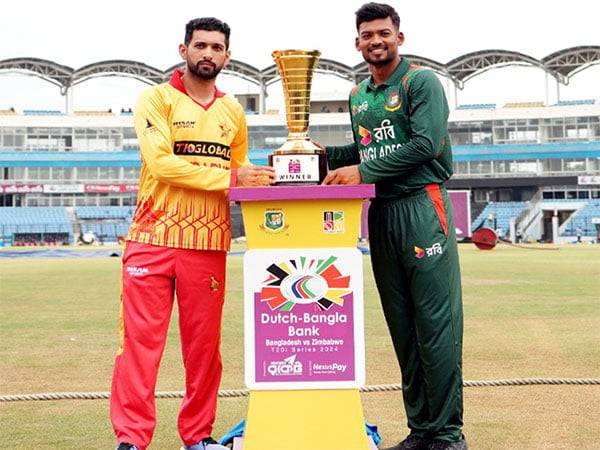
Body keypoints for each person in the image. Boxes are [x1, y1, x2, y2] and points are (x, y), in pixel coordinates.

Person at [109, 17, 275, 450]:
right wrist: (231, 178)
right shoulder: (156, 99)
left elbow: (241, 173)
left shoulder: (233, 112)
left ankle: (197, 437)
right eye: (200, 45)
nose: (208, 53)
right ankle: (131, 440)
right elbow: (162, 164)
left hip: (207, 243)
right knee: (140, 349)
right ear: (183, 50)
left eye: (216, 47)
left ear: (227, 56)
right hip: (152, 236)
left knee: (203, 353)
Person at [323, 3, 467, 449]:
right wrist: (316, 155)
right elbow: (367, 146)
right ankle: (421, 430)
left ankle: (447, 434)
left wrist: (362, 173)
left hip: (423, 208)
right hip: (381, 213)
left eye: (383, 33)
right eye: (367, 35)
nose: (376, 41)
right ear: (357, 43)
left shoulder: (419, 81)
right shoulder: (359, 96)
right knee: (402, 327)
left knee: (435, 326)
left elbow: (426, 143)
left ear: (399, 38)